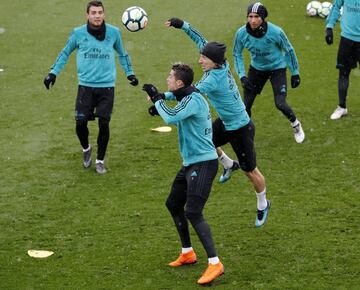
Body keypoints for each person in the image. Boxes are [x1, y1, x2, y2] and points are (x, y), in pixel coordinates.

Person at [165, 18, 270, 227]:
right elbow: (199, 38)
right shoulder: (219, 61)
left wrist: (160, 97)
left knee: (251, 171)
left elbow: (188, 92)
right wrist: (182, 24)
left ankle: (263, 203)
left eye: (204, 58)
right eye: (201, 56)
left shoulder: (212, 80)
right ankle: (229, 164)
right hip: (225, 122)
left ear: (214, 62)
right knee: (207, 142)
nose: (200, 60)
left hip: (241, 129)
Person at [142, 63, 224, 285]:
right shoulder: (188, 94)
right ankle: (188, 252)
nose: (167, 79)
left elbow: (170, 117)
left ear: (179, 82)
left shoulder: (193, 101)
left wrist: (156, 99)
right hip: (191, 163)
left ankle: (215, 263)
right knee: (173, 204)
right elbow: (173, 98)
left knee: (194, 212)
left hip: (204, 164)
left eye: (170, 77)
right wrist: (160, 98)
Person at [43, 0, 138, 174]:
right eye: (93, 13)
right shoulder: (78, 33)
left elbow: (123, 54)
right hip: (85, 87)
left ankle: (100, 161)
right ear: (87, 15)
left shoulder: (114, 33)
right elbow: (65, 52)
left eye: (100, 12)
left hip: (106, 87)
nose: (97, 16)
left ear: (104, 14)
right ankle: (86, 149)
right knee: (80, 123)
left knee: (104, 123)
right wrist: (53, 73)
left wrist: (129, 73)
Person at [233, 2, 305, 144]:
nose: (253, 20)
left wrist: (295, 72)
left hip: (277, 69)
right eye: (250, 16)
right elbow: (236, 53)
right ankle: (246, 135)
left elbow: (289, 50)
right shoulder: (241, 33)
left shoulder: (276, 32)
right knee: (245, 106)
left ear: (263, 18)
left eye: (256, 17)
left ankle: (296, 125)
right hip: (256, 70)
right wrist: (242, 75)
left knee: (280, 103)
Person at [325, 0, 360, 120]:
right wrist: (329, 27)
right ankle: (342, 107)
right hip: (347, 39)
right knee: (343, 73)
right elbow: (336, 6)